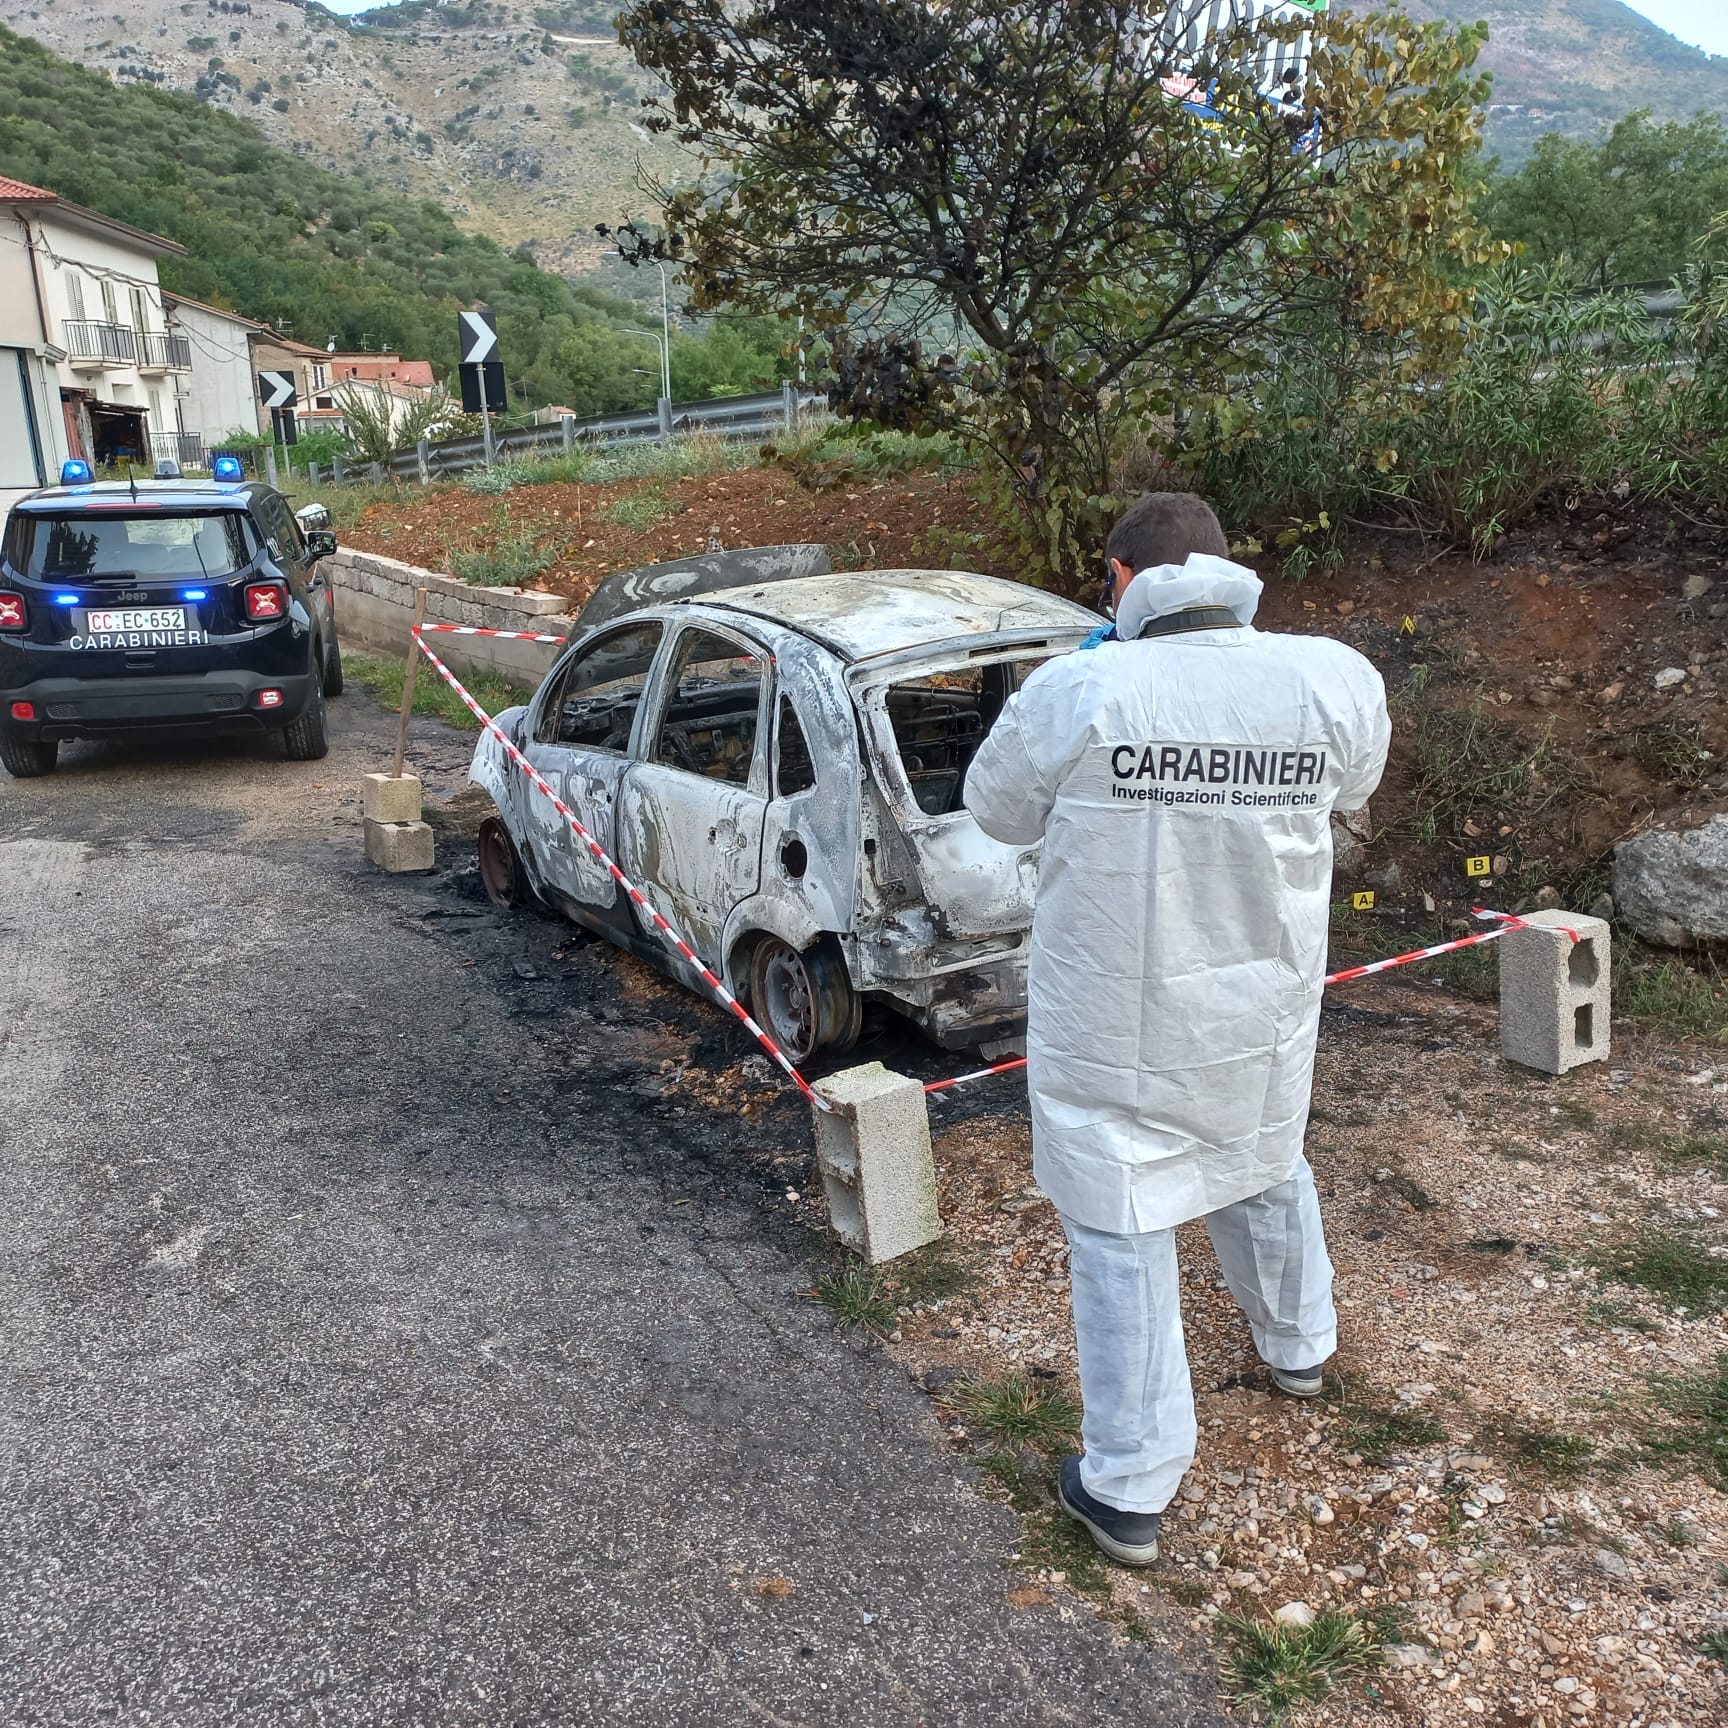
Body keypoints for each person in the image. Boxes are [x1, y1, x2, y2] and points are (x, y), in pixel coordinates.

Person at [963, 492, 1390, 1567]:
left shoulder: (1080, 689)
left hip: (1119, 1010)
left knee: (1120, 1222)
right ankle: (1299, 1348)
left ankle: (1131, 1484)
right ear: (1224, 570)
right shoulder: (1329, 676)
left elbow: (995, 810)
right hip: (1259, 991)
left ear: (1118, 579)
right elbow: (1354, 783)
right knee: (1261, 1159)